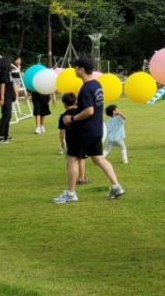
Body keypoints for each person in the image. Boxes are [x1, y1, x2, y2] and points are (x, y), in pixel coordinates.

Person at [53, 57, 124, 203]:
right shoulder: (97, 85)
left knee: (72, 158)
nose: (74, 69)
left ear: (82, 70)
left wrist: (71, 119)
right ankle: (116, 186)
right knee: (98, 158)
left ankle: (70, 194)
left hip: (84, 130)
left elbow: (89, 110)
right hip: (97, 129)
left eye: (76, 67)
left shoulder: (86, 88)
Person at [55, 93, 85, 181]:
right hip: (83, 138)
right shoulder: (81, 112)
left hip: (71, 140)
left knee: (71, 159)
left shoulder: (63, 116)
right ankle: (82, 178)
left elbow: (62, 131)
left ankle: (72, 178)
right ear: (75, 101)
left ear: (64, 103)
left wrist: (62, 142)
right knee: (81, 158)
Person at [0, 56, 17, 143]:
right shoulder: (4, 73)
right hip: (6, 96)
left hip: (9, 95)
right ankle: (1, 136)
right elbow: (2, 86)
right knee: (5, 115)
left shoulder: (7, 72)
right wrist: (2, 98)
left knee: (8, 115)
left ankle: (6, 135)